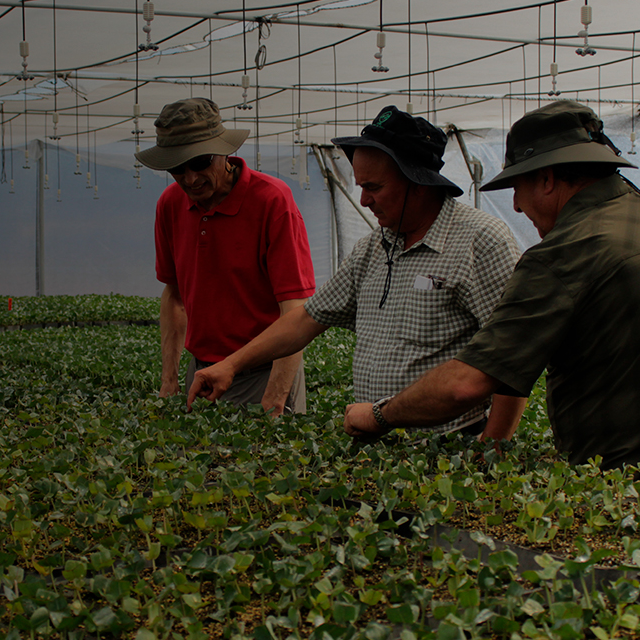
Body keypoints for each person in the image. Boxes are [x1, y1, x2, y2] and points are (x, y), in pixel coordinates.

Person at [342, 100, 640, 483]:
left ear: (548, 179)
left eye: (518, 187)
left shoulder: (564, 253)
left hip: (621, 494)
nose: (517, 204)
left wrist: (379, 415)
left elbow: (465, 385)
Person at [188, 105, 527, 440]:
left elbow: (511, 359)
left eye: (374, 187)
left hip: (447, 446)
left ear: (419, 183)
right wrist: (231, 365)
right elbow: (307, 319)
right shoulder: (373, 248)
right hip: (372, 437)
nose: (363, 200)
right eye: (360, 186)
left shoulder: (480, 241)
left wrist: (492, 448)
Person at [137, 97, 316, 416]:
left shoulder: (272, 201)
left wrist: (275, 398)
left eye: (201, 162)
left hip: (263, 375)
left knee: (269, 466)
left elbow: (295, 310)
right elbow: (173, 295)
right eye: (178, 168)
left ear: (225, 152)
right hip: (202, 376)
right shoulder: (170, 204)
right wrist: (169, 380)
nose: (191, 179)